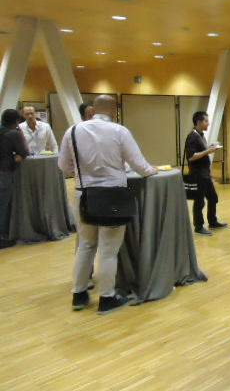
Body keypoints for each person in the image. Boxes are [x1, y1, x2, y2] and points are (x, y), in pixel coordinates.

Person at [58, 95, 157, 315]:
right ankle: (107, 297)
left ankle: (79, 294)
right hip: (113, 195)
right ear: (115, 110)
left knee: (85, 245)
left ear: (93, 110)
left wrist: (85, 173)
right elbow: (138, 163)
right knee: (108, 251)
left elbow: (63, 165)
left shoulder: (72, 131)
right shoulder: (120, 131)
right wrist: (151, 170)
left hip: (84, 194)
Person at [185, 111, 226, 236]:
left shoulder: (200, 135)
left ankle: (212, 221)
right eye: (206, 121)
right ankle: (198, 227)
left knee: (213, 197)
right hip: (198, 174)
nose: (208, 123)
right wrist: (207, 151)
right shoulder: (192, 136)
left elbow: (201, 152)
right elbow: (191, 157)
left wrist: (209, 148)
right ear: (198, 122)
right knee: (199, 201)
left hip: (205, 174)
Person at [0, 109, 28, 248]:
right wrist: (21, 134)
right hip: (4, 172)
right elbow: (24, 152)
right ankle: (2, 237)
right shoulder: (13, 134)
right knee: (3, 206)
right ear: (16, 121)